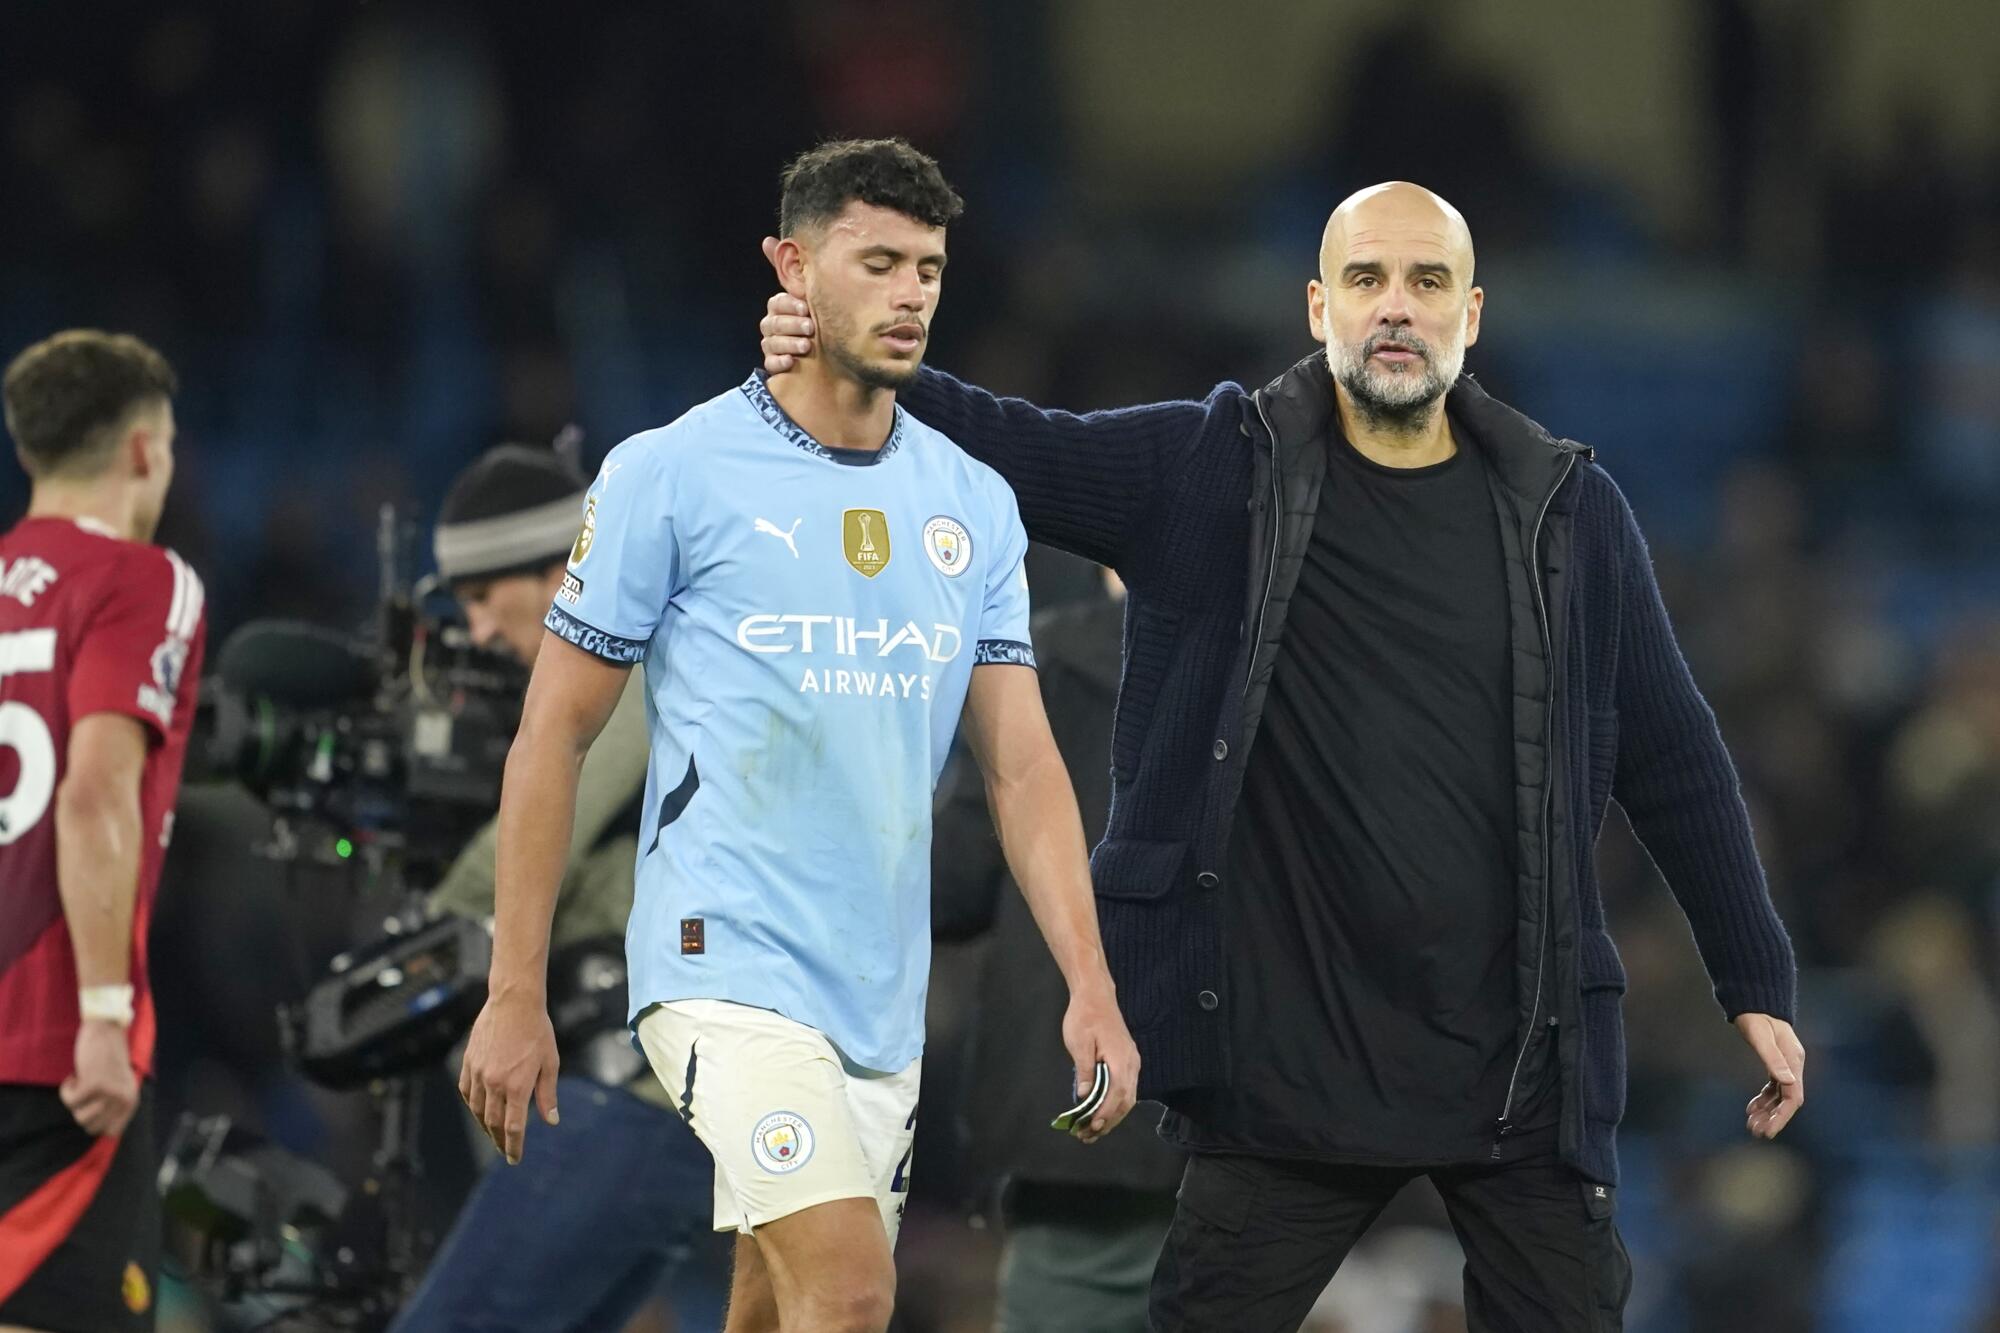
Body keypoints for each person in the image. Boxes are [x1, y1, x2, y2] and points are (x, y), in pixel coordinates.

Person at [758, 181, 1807, 1332]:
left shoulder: (1572, 510)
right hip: (1286, 1068)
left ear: (1472, 314)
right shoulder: (1212, 469)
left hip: (1516, 1065)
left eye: (1424, 282)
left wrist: (1750, 977)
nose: (1394, 308)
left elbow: (1671, 752)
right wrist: (844, 354)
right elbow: (1014, 444)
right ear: (1317, 308)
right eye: (1364, 280)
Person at [458, 137, 1141, 1333]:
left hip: (877, 993)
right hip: (717, 961)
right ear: (791, 266)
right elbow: (550, 739)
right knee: (850, 1287)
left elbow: (1021, 765)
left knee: (775, 1306)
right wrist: (512, 989)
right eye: (874, 260)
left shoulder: (970, 505)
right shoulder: (670, 473)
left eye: (926, 267)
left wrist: (1089, 981)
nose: (909, 292)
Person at [389, 442, 722, 1333]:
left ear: (560, 569)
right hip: (659, 1099)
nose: (478, 632)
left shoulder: (651, 654)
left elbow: (522, 850)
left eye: (482, 597)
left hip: (630, 1099)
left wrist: (429, 927)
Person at [0, 330, 204, 1333]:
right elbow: (92, 793)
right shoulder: (140, 581)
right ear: (140, 449)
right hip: (49, 1049)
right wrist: (105, 1017)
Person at [932, 566, 1185, 1333]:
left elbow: (950, 886)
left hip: (1086, 1109)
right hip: (1256, 1111)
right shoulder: (1311, 657)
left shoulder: (1036, 666)